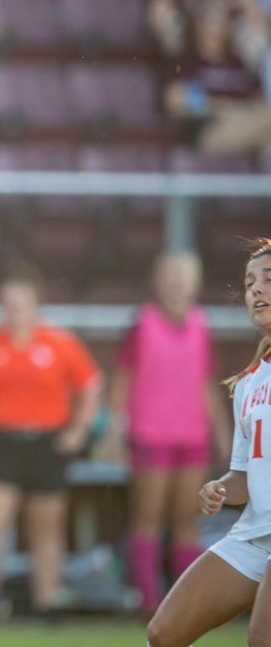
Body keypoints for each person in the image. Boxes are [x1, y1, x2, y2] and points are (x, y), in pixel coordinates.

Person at [145, 238, 271, 647]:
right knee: (164, 634)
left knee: (262, 637)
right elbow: (245, 476)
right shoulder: (250, 381)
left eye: (268, 280)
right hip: (255, 532)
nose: (256, 290)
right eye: (250, 282)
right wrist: (219, 488)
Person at [0, 266, 101, 621]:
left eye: (20, 303)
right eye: (7, 304)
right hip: (0, 442)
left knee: (46, 528)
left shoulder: (59, 343)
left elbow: (91, 384)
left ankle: (45, 601)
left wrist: (79, 429)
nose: (14, 310)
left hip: (46, 443)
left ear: (36, 305)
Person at [103, 253, 231, 617]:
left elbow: (207, 382)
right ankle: (148, 600)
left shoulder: (200, 323)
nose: (177, 283)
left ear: (196, 282)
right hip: (150, 433)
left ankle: (184, 602)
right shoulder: (142, 323)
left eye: (184, 276)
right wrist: (115, 429)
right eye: (170, 275)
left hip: (192, 434)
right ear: (156, 281)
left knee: (186, 520)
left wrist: (221, 430)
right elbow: (122, 379)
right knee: (147, 517)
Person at [162, 0, 271, 155]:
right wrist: (226, 110)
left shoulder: (239, 62)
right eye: (210, 19)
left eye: (221, 20)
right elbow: (174, 99)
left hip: (249, 128)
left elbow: (259, 101)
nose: (216, 26)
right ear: (197, 24)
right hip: (210, 131)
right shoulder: (187, 60)